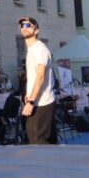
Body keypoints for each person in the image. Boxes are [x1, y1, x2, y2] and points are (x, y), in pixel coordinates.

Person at [19, 16, 55, 145]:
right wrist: (29, 94)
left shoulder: (39, 49)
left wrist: (31, 101)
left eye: (28, 25)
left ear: (36, 30)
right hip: (38, 101)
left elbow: (40, 76)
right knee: (45, 141)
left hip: (41, 103)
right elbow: (34, 78)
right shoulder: (32, 50)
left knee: (38, 142)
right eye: (22, 25)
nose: (24, 28)